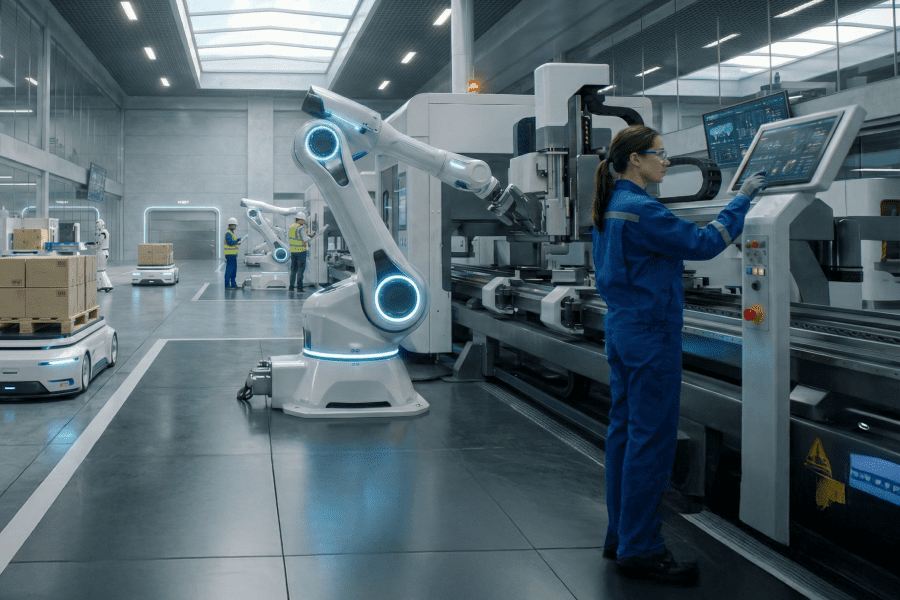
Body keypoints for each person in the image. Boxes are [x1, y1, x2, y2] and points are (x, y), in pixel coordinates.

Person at [592, 124, 767, 586]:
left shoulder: (612, 206)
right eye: (660, 154)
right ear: (635, 160)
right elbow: (703, 244)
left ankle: (621, 534)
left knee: (625, 436)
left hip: (623, 330)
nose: (666, 161)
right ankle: (643, 548)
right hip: (651, 335)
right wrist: (742, 198)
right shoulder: (642, 208)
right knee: (651, 441)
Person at [288, 212, 321, 292]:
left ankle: (291, 287)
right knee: (300, 270)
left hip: (293, 251)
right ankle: (299, 288)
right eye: (303, 220)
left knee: (293, 269)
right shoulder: (300, 228)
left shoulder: (291, 227)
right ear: (300, 220)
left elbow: (296, 238)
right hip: (301, 251)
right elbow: (306, 239)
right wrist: (314, 236)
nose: (303, 222)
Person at [224, 217, 243, 289]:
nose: (235, 227)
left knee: (233, 270)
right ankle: (227, 285)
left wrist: (237, 242)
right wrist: (236, 241)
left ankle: (233, 284)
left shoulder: (232, 233)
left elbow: (233, 242)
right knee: (229, 270)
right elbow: (230, 243)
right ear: (231, 225)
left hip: (233, 254)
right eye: (235, 225)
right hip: (230, 255)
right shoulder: (228, 233)